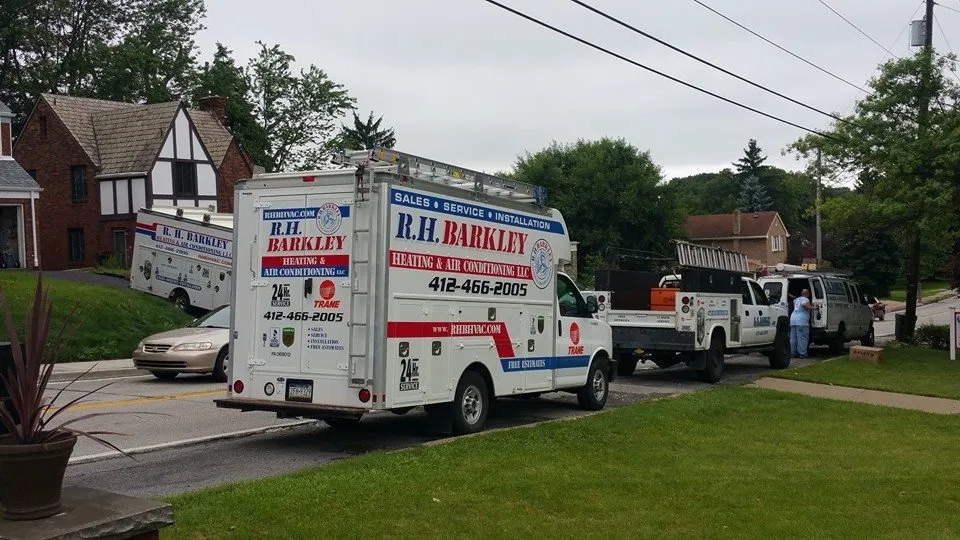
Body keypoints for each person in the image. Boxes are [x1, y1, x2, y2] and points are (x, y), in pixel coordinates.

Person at [790, 288, 815, 358]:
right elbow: (805, 305)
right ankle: (802, 353)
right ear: (807, 294)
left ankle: (793, 353)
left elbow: (795, 300)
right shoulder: (806, 299)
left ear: (801, 293)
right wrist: (813, 307)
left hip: (793, 320)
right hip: (801, 321)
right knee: (802, 338)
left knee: (793, 338)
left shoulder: (796, 300)